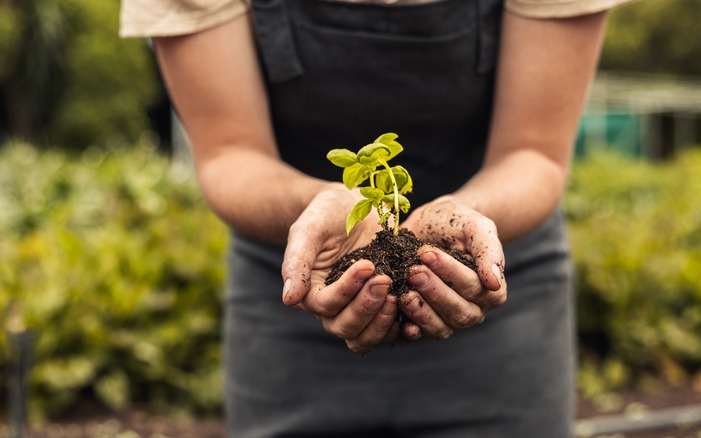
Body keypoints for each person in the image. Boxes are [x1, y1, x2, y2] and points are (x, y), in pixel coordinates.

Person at [121, 0, 634, 435]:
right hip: (300, 284)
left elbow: (535, 152)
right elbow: (229, 153)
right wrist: (318, 205)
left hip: (494, 289)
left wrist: (469, 214)